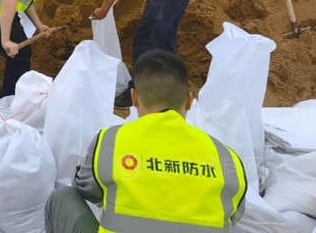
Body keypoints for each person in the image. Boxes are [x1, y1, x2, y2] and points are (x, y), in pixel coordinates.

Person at [45, 50, 247, 233]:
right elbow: (234, 215)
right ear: (189, 100)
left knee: (62, 197)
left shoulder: (110, 140)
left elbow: (86, 189)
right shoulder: (226, 157)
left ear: (134, 98)